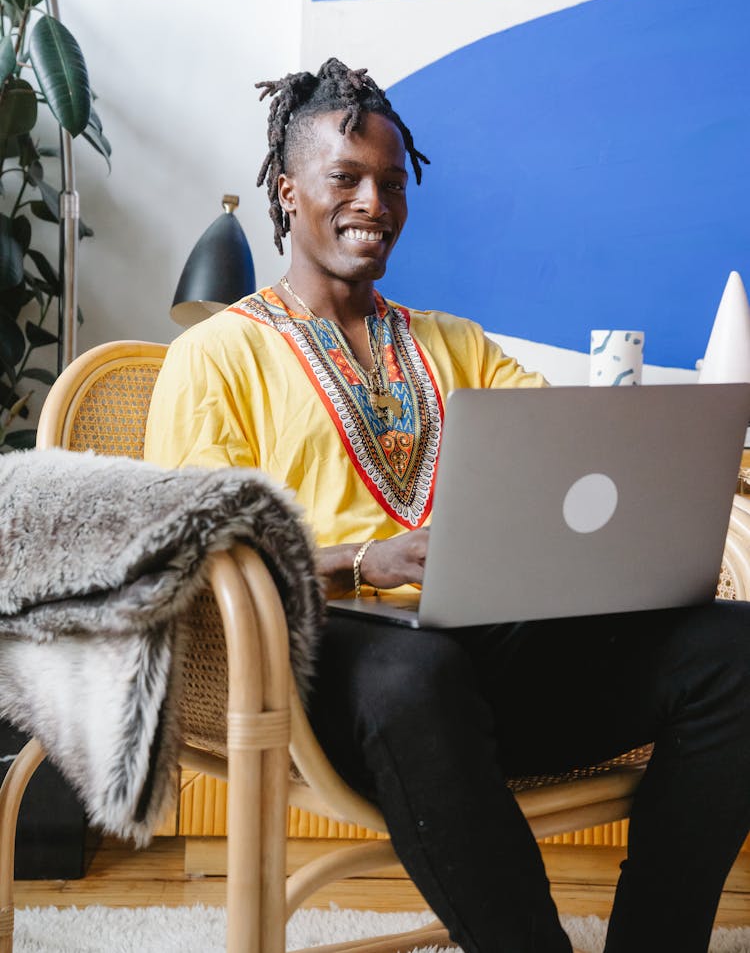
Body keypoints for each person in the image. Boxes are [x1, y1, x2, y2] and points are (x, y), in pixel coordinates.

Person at [145, 58, 750, 953]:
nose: (374, 201)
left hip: (492, 664)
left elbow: (571, 457)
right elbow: (197, 552)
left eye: (392, 182)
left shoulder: (455, 343)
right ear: (287, 191)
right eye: (345, 177)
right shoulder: (219, 356)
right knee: (418, 674)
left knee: (735, 650)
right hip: (326, 677)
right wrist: (360, 558)